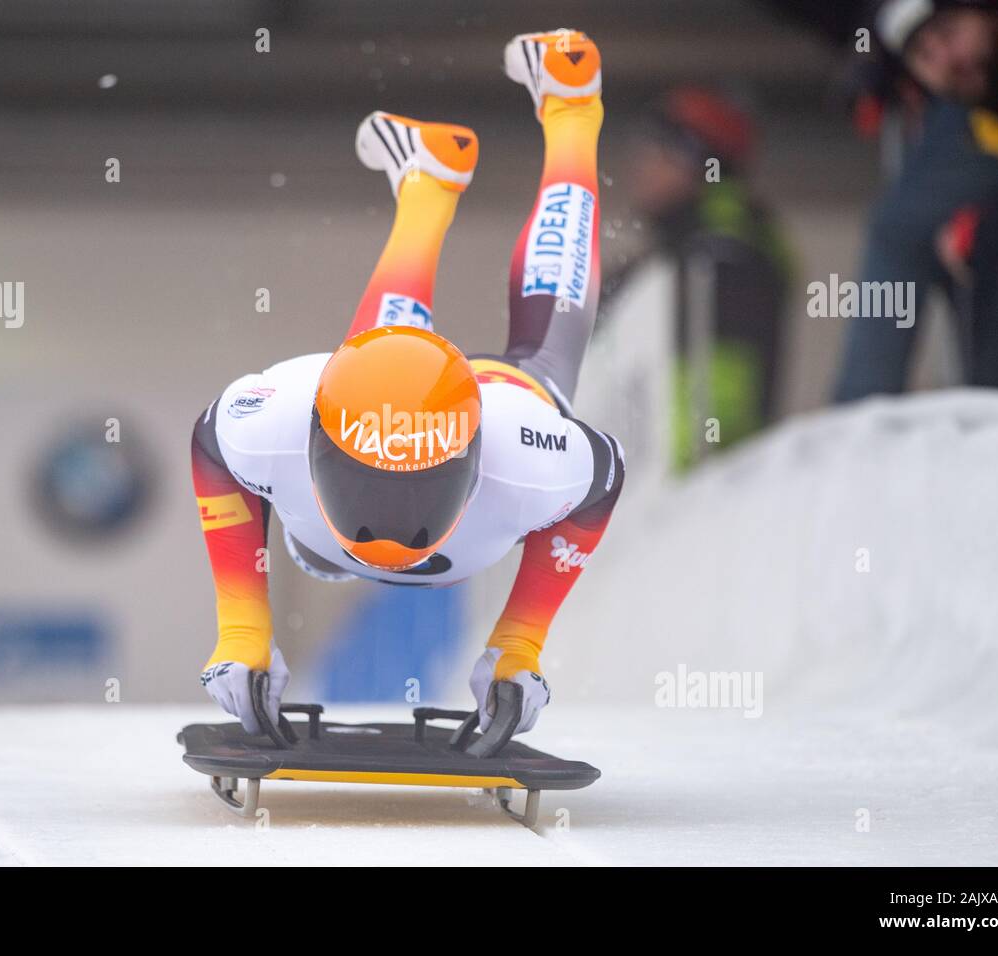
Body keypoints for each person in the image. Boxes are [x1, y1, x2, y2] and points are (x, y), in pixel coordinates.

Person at [190, 30, 624, 736]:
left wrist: (521, 646)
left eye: (411, 492)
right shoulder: (272, 418)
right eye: (370, 485)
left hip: (501, 412)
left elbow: (211, 451)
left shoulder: (534, 453)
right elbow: (602, 482)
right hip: (447, 463)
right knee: (538, 346)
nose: (388, 529)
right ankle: (497, 147)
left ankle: (533, 129)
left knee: (525, 367)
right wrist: (240, 633)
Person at [873, 0, 998, 391]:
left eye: (948, 33)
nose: (945, 61)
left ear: (989, 11)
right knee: (993, 265)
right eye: (925, 56)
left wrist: (991, 232)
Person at [601, 88, 792, 469]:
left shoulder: (721, 260)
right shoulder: (677, 256)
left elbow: (717, 412)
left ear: (695, 162)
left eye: (656, 151)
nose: (641, 166)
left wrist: (681, 506)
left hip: (683, 503)